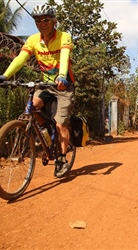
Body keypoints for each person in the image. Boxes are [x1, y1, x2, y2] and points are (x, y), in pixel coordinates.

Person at [0, 4, 75, 178]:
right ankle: (44, 134)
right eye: (38, 20)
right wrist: (5, 75)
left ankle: (62, 159)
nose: (42, 23)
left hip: (63, 86)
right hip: (45, 85)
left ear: (54, 21)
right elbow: (21, 58)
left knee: (60, 123)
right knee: (32, 107)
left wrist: (62, 75)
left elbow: (64, 57)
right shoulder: (33, 40)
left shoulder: (64, 37)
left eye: (46, 20)